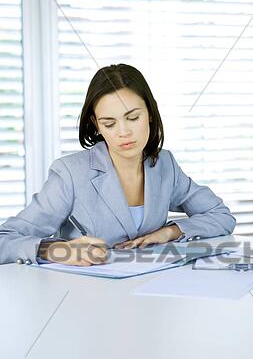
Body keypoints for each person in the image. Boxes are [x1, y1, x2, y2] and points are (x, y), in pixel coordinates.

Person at [0, 64, 236, 266]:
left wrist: (170, 231)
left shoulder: (164, 165)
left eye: (133, 118)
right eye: (109, 123)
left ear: (150, 113)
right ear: (96, 124)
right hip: (85, 298)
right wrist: (58, 250)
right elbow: (5, 239)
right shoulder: (71, 173)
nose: (124, 132)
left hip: (153, 292)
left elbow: (221, 216)